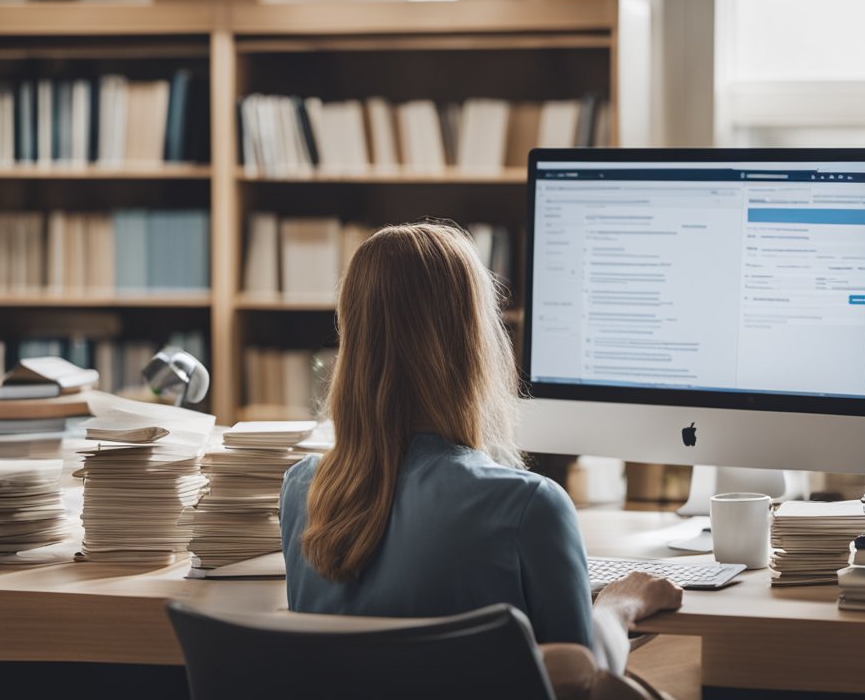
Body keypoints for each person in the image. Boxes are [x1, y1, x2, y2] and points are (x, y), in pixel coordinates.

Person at [279, 222, 682, 675]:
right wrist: (616, 607)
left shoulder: (302, 492)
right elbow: (580, 676)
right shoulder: (530, 506)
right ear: (474, 342)